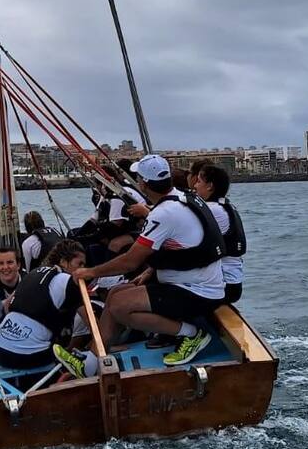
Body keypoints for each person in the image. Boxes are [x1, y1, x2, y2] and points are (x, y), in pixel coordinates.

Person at [71, 153, 226, 367]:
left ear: (143, 184)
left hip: (196, 291)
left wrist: (90, 272)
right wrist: (149, 271)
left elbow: (129, 261)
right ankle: (92, 360)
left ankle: (192, 335)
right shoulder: (181, 199)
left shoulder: (163, 213)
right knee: (116, 293)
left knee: (118, 306)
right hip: (197, 283)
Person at [0, 239, 89, 373]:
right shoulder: (67, 281)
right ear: (64, 262)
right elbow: (88, 318)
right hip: (27, 356)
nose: (83, 270)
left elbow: (8, 304)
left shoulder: (34, 273)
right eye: (80, 264)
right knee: (62, 350)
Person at [189, 161, 246, 304]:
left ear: (210, 186)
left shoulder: (212, 209)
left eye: (199, 181)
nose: (195, 185)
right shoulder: (224, 205)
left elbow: (182, 231)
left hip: (223, 284)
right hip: (232, 282)